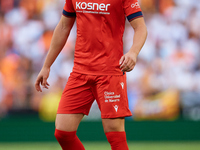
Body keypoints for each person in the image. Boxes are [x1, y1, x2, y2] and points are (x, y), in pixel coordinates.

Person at [35, 0, 147, 149]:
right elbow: (63, 26)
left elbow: (140, 28)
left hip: (110, 72)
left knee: (114, 133)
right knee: (63, 132)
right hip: (80, 71)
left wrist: (133, 52)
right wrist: (47, 65)